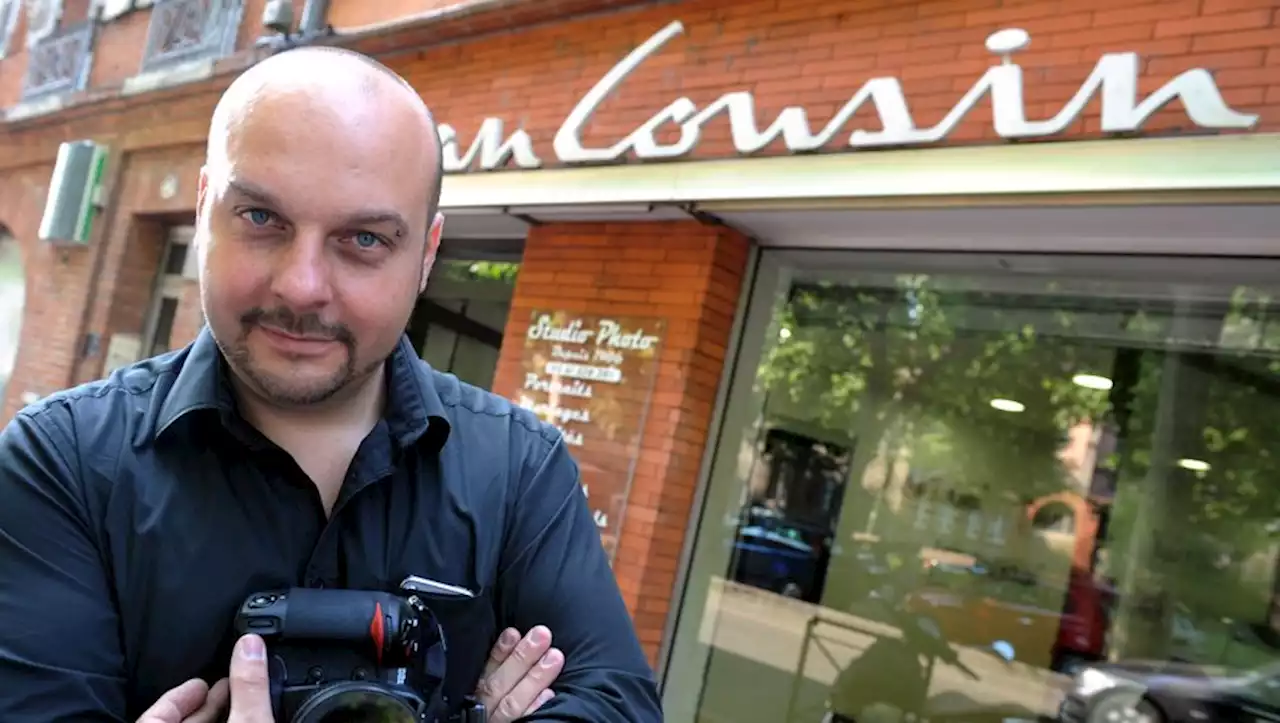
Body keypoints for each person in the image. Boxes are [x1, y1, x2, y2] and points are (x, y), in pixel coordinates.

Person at [0, 45, 662, 723]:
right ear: (204, 209)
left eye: (364, 240)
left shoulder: (522, 469)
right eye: (261, 219)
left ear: (427, 255)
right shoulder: (63, 465)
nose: (301, 284)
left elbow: (618, 705)